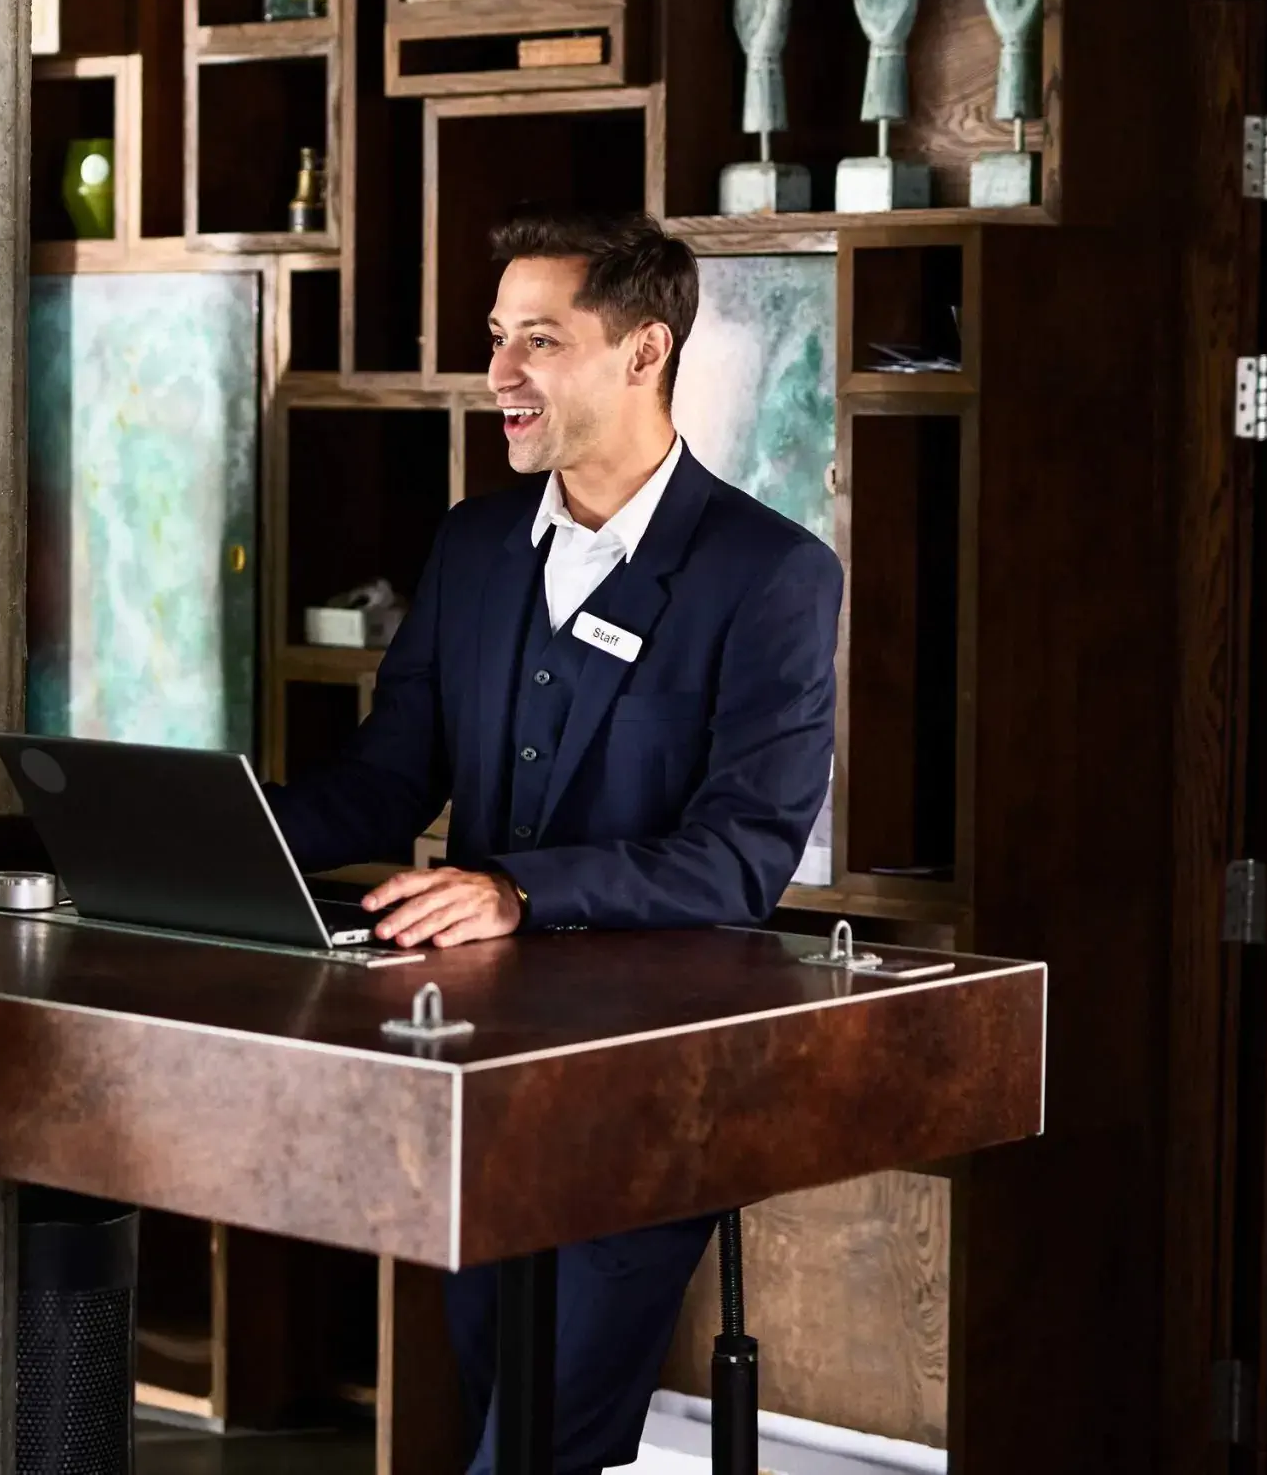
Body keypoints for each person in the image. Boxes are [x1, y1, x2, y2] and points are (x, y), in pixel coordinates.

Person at [264, 209, 841, 1474]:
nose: (499, 377)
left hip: (653, 1080)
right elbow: (383, 780)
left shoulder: (771, 573)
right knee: (497, 1403)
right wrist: (222, 831)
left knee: (536, 1443)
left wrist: (514, 890)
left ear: (643, 354)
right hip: (472, 1071)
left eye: (539, 340)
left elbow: (741, 857)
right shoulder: (473, 546)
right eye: (494, 339)